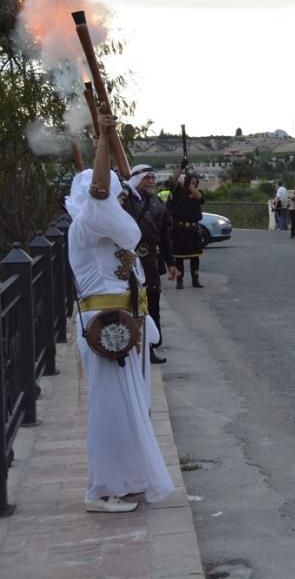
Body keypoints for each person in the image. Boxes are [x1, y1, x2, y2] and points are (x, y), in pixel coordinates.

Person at [65, 119, 174, 513]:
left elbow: (126, 184)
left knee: (130, 409)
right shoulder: (89, 223)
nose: (118, 197)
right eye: (114, 194)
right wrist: (101, 147)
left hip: (126, 327)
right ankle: (103, 490)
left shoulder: (105, 222)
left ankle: (128, 480)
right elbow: (100, 191)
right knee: (112, 409)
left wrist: (111, 140)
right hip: (106, 330)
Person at [121, 164, 178, 365]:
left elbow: (165, 237)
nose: (152, 182)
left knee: (152, 304)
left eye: (154, 178)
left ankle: (151, 346)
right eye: (148, 178)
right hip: (128, 261)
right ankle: (128, 344)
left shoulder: (157, 204)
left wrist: (171, 263)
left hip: (151, 263)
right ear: (138, 179)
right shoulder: (125, 201)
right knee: (131, 305)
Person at [169, 171, 205, 289]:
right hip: (179, 230)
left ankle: (196, 280)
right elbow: (174, 180)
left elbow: (198, 196)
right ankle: (179, 280)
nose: (192, 183)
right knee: (179, 258)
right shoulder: (179, 191)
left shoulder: (198, 193)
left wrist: (190, 184)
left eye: (195, 182)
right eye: (191, 181)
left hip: (193, 230)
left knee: (195, 258)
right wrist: (181, 168)